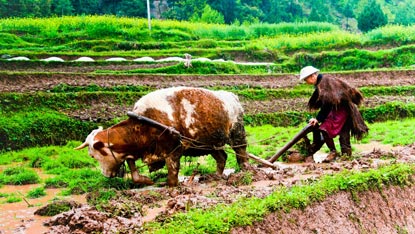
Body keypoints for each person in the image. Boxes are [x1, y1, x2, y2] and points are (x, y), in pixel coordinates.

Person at [299, 66, 369, 162]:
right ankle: (346, 157)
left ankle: (335, 153)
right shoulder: (322, 83)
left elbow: (327, 104)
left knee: (324, 129)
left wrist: (318, 119)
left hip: (342, 111)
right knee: (344, 134)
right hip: (341, 110)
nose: (306, 82)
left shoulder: (325, 82)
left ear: (312, 76)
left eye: (306, 80)